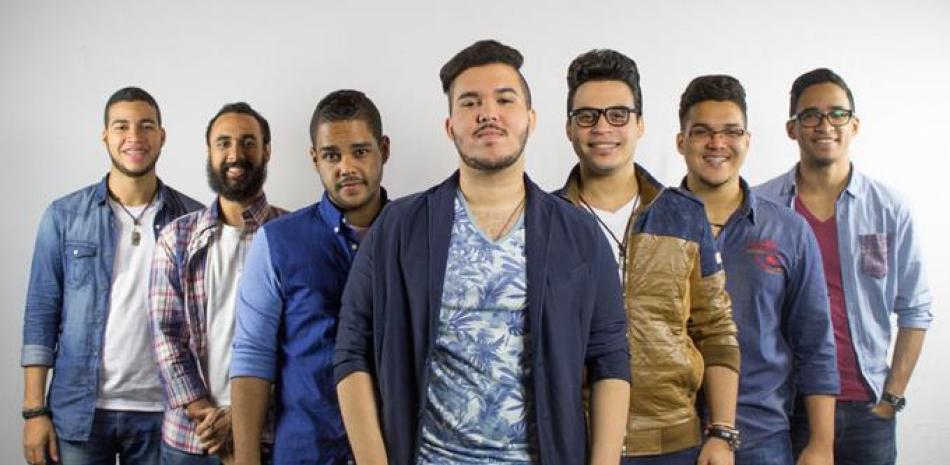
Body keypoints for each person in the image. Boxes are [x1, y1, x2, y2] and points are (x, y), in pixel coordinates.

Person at [334, 39, 631, 465]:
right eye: (470, 102)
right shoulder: (397, 228)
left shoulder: (579, 233)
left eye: (504, 100)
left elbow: (610, 359)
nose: (488, 113)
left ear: (530, 119)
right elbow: (351, 350)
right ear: (449, 126)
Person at [557, 49, 740, 465]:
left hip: (674, 443)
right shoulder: (548, 220)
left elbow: (716, 329)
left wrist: (722, 433)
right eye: (587, 116)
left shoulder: (684, 214)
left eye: (618, 114)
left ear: (639, 124)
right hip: (574, 439)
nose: (603, 127)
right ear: (569, 128)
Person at [756, 68, 933, 465]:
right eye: (810, 115)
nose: (825, 125)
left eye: (837, 113)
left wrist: (891, 398)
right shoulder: (760, 207)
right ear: (791, 128)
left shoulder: (889, 209)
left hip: (867, 408)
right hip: (784, 406)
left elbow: (916, 309)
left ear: (854, 125)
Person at [21, 86, 202, 465]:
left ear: (162, 136)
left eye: (146, 126)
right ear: (105, 136)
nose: (134, 136)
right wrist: (34, 411)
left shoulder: (192, 220)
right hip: (80, 410)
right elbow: (41, 314)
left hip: (166, 411)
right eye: (122, 126)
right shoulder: (64, 217)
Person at [677, 74, 839, 465]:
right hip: (672, 438)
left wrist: (821, 444)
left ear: (747, 140)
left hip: (761, 438)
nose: (717, 143)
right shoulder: (651, 224)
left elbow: (815, 342)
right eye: (702, 132)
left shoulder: (788, 230)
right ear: (681, 142)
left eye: (731, 132)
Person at [229, 90, 390, 465]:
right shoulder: (278, 241)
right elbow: (252, 359)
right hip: (307, 450)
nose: (346, 167)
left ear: (383, 149)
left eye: (360, 151)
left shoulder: (414, 236)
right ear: (315, 158)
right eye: (332, 155)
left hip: (393, 449)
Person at [150, 102, 285, 464]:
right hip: (191, 437)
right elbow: (166, 337)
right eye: (223, 143)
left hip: (269, 435)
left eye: (248, 142)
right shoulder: (176, 238)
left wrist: (240, 420)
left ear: (267, 151)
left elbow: (299, 344)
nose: (235, 154)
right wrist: (209, 416)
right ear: (209, 152)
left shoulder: (292, 236)